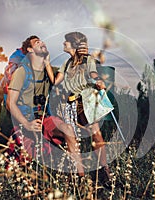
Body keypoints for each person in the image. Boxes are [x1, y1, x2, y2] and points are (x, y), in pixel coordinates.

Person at [6, 35, 86, 177]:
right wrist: (27, 124)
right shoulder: (22, 72)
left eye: (42, 41)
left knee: (68, 129)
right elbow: (10, 103)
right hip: (25, 122)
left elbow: (64, 80)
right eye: (37, 42)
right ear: (30, 50)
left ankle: (81, 179)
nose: (42, 43)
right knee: (20, 169)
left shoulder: (47, 73)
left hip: (44, 119)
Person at [45, 32, 112, 183]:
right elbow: (56, 82)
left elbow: (93, 72)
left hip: (85, 101)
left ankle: (105, 171)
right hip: (69, 104)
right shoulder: (66, 64)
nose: (63, 44)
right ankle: (79, 177)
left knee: (96, 134)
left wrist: (99, 80)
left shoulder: (88, 60)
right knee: (73, 139)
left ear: (73, 44)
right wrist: (47, 63)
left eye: (66, 42)